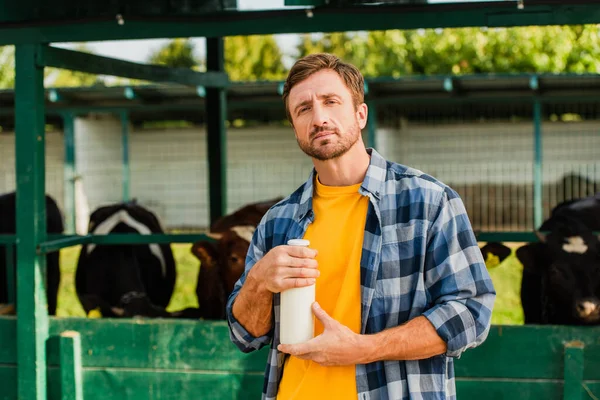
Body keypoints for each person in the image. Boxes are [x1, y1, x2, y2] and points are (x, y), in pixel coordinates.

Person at [225, 53, 496, 400]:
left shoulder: (428, 202)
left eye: (330, 102)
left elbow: (472, 311)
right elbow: (244, 334)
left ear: (360, 113)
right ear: (294, 127)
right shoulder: (278, 221)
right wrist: (259, 281)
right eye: (303, 109)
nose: (319, 117)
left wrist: (363, 349)